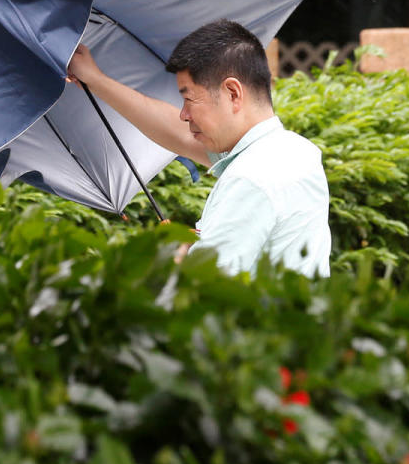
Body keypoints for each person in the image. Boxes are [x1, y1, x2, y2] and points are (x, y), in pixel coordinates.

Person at [67, 19, 331, 277]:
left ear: (232, 93)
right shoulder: (294, 151)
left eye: (189, 99)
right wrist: (95, 79)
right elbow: (179, 134)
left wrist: (177, 258)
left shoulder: (250, 178)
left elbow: (204, 291)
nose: (184, 114)